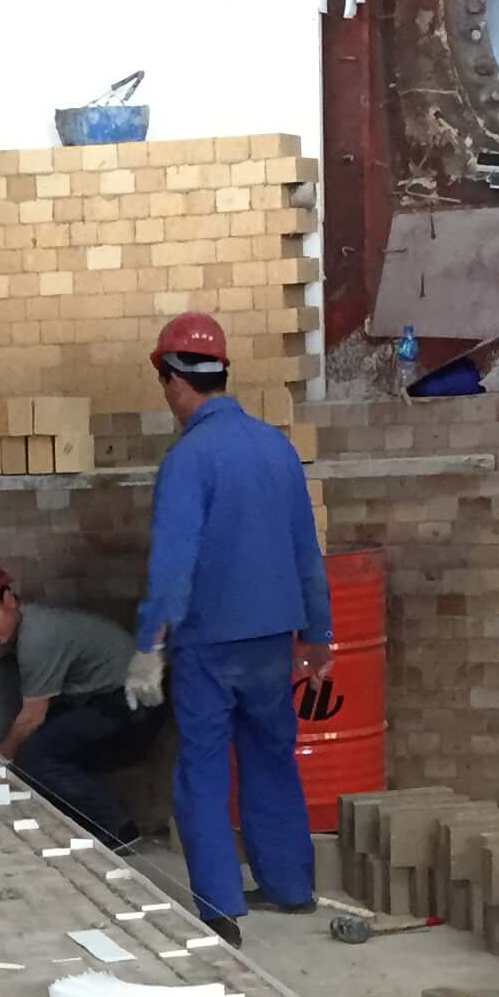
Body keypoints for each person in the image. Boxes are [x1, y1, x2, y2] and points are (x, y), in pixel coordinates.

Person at [127, 311, 333, 946]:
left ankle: (220, 909)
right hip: (274, 642)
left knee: (203, 770)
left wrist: (148, 645)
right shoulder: (276, 448)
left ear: (173, 380)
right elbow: (306, 551)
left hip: (208, 646)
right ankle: (290, 887)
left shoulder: (188, 459)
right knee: (271, 758)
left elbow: (172, 565)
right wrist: (318, 637)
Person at [0, 559, 163, 850]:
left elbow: (31, 718)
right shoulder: (26, 623)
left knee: (35, 756)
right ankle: (82, 821)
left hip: (132, 704)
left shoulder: (38, 637)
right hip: (108, 700)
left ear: (8, 598)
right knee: (44, 744)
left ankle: (118, 828)